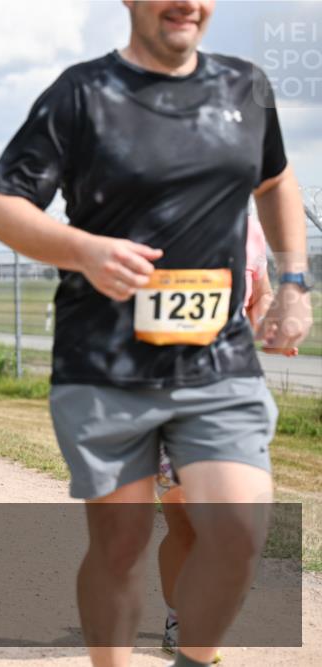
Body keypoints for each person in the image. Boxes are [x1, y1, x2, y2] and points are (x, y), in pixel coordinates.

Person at [0, 2, 313, 666]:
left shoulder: (246, 87)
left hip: (220, 360)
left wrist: (293, 282)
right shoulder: (81, 94)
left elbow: (276, 181)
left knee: (239, 529)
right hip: (106, 365)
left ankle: (193, 651)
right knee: (121, 545)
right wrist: (84, 250)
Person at [157, 212, 290, 662]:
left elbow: (260, 294)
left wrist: (271, 322)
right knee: (185, 522)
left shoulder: (250, 227)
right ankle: (182, 620)